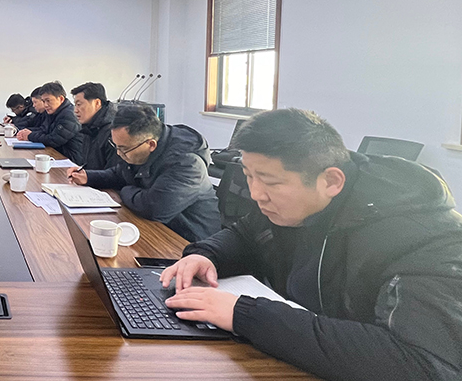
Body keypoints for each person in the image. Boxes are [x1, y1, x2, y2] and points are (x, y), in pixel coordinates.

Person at [160, 109, 462, 380]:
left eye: (270, 182)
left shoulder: (425, 238)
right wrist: (207, 255)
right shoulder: (293, 202)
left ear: (331, 181)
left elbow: (422, 364)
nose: (255, 194)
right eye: (249, 176)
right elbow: (246, 234)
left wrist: (246, 315)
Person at [67, 103, 219, 241]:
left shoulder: (188, 164)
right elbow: (121, 173)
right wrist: (89, 176)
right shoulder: (139, 148)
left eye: (123, 149)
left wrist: (125, 190)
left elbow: (153, 208)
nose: (119, 153)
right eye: (116, 147)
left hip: (188, 240)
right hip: (154, 228)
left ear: (151, 144)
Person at [16, 81, 83, 163]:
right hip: (55, 155)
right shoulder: (53, 112)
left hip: (69, 160)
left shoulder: (69, 115)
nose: (45, 105)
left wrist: (30, 136)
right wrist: (26, 132)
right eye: (43, 101)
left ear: (61, 99)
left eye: (48, 100)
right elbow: (44, 130)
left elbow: (53, 140)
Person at [70, 82, 117, 170]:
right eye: (75, 105)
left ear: (97, 103)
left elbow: (114, 174)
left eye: (79, 104)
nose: (75, 110)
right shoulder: (89, 128)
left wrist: (88, 175)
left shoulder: (113, 131)